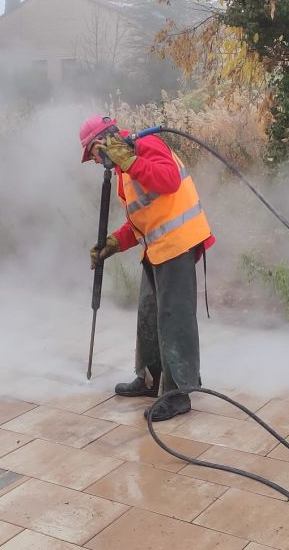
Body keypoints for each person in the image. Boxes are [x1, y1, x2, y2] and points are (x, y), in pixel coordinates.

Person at [79, 115, 215, 421]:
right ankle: (151, 379)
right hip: (157, 248)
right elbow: (140, 220)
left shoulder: (146, 145)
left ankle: (178, 394)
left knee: (174, 318)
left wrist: (130, 161)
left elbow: (169, 180)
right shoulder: (125, 169)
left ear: (103, 142)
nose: (97, 162)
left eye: (94, 154)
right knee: (149, 314)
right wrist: (113, 243)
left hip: (179, 243)